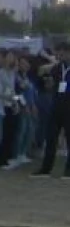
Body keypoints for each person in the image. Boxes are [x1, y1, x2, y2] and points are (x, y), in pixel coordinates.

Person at [33, 42, 70, 178]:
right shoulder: (56, 68)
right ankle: (46, 168)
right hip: (56, 106)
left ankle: (68, 170)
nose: (60, 56)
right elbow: (50, 84)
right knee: (51, 138)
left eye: (62, 53)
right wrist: (48, 83)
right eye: (58, 53)